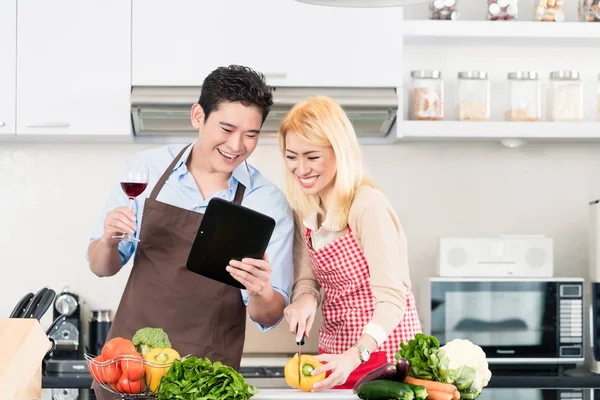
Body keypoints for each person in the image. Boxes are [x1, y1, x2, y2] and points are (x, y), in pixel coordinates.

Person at [87, 65, 294, 399]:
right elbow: (101, 266)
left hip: (206, 382)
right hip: (129, 372)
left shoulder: (268, 203)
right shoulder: (147, 170)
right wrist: (109, 239)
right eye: (226, 128)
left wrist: (261, 291)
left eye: (251, 134)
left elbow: (268, 314)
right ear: (198, 115)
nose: (236, 145)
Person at [280, 96, 422, 391]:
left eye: (312, 156)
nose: (301, 169)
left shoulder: (367, 205)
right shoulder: (307, 208)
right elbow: (308, 279)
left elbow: (393, 300)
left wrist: (356, 354)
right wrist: (305, 299)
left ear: (339, 151)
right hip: (335, 354)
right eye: (291, 156)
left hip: (385, 357)